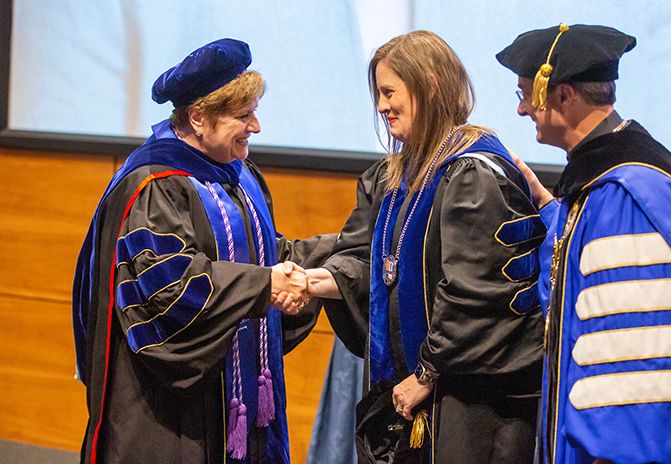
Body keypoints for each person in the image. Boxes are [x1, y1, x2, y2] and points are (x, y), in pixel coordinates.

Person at [496, 24, 671, 464]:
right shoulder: (606, 184)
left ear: (563, 96)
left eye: (527, 94)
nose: (524, 108)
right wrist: (553, 214)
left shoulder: (626, 199)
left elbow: (641, 365)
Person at [72, 38, 335, 464]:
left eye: (255, 113)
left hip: (234, 399)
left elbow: (263, 254)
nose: (256, 127)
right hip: (172, 414)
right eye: (243, 116)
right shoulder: (155, 185)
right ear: (197, 117)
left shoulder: (238, 175)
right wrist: (264, 285)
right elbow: (170, 289)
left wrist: (335, 252)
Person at [305, 30, 548, 463]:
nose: (381, 106)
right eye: (377, 94)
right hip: (418, 396)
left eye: (388, 91)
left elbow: (476, 293)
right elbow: (381, 261)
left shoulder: (472, 171)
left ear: (430, 85)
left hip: (470, 403)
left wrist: (426, 371)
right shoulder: (404, 173)